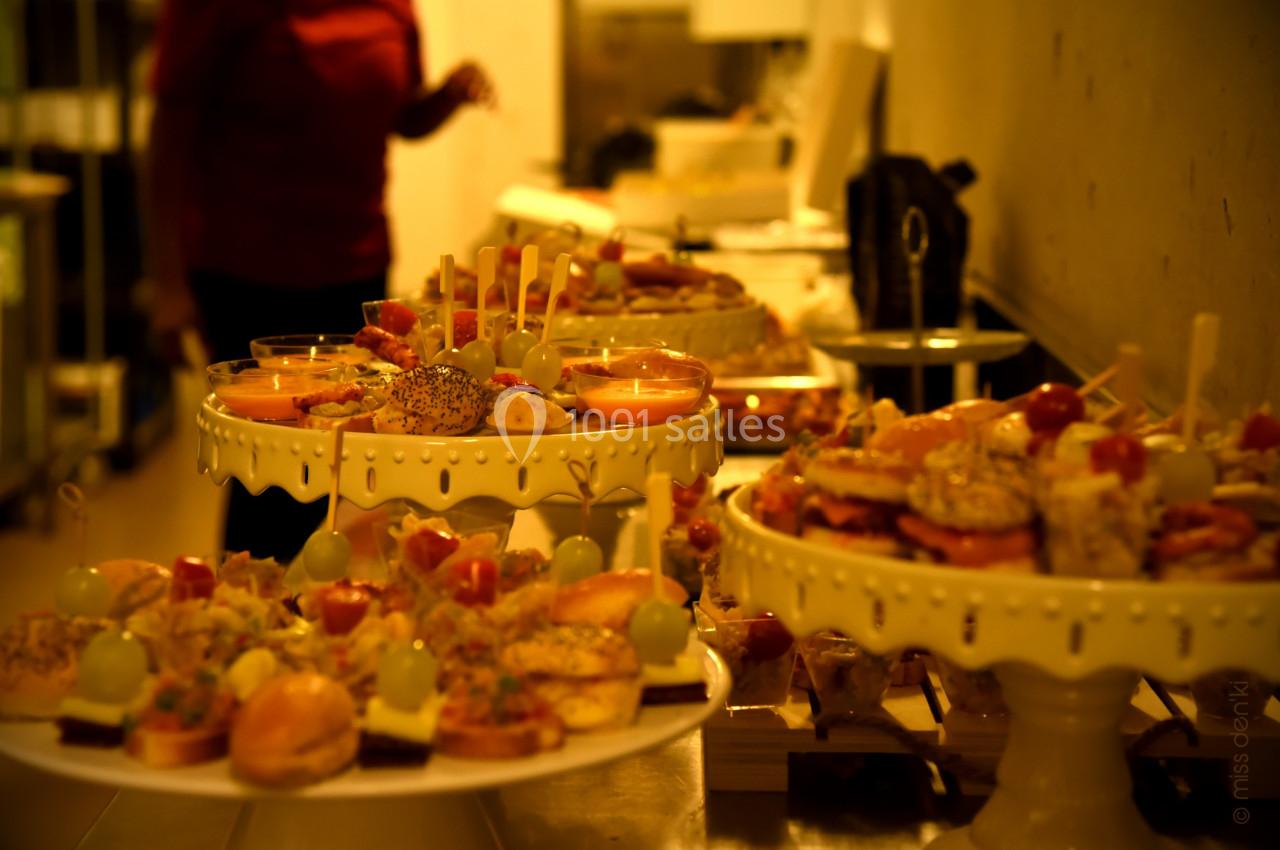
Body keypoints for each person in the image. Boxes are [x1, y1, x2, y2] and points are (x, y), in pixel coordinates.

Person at [146, 0, 493, 562]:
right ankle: (252, 616)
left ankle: (308, 620)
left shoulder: (393, 8)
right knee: (269, 471)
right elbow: (170, 133)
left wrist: (449, 95)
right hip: (247, 272)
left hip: (354, 264)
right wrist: (165, 283)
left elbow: (400, 115)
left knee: (333, 463)